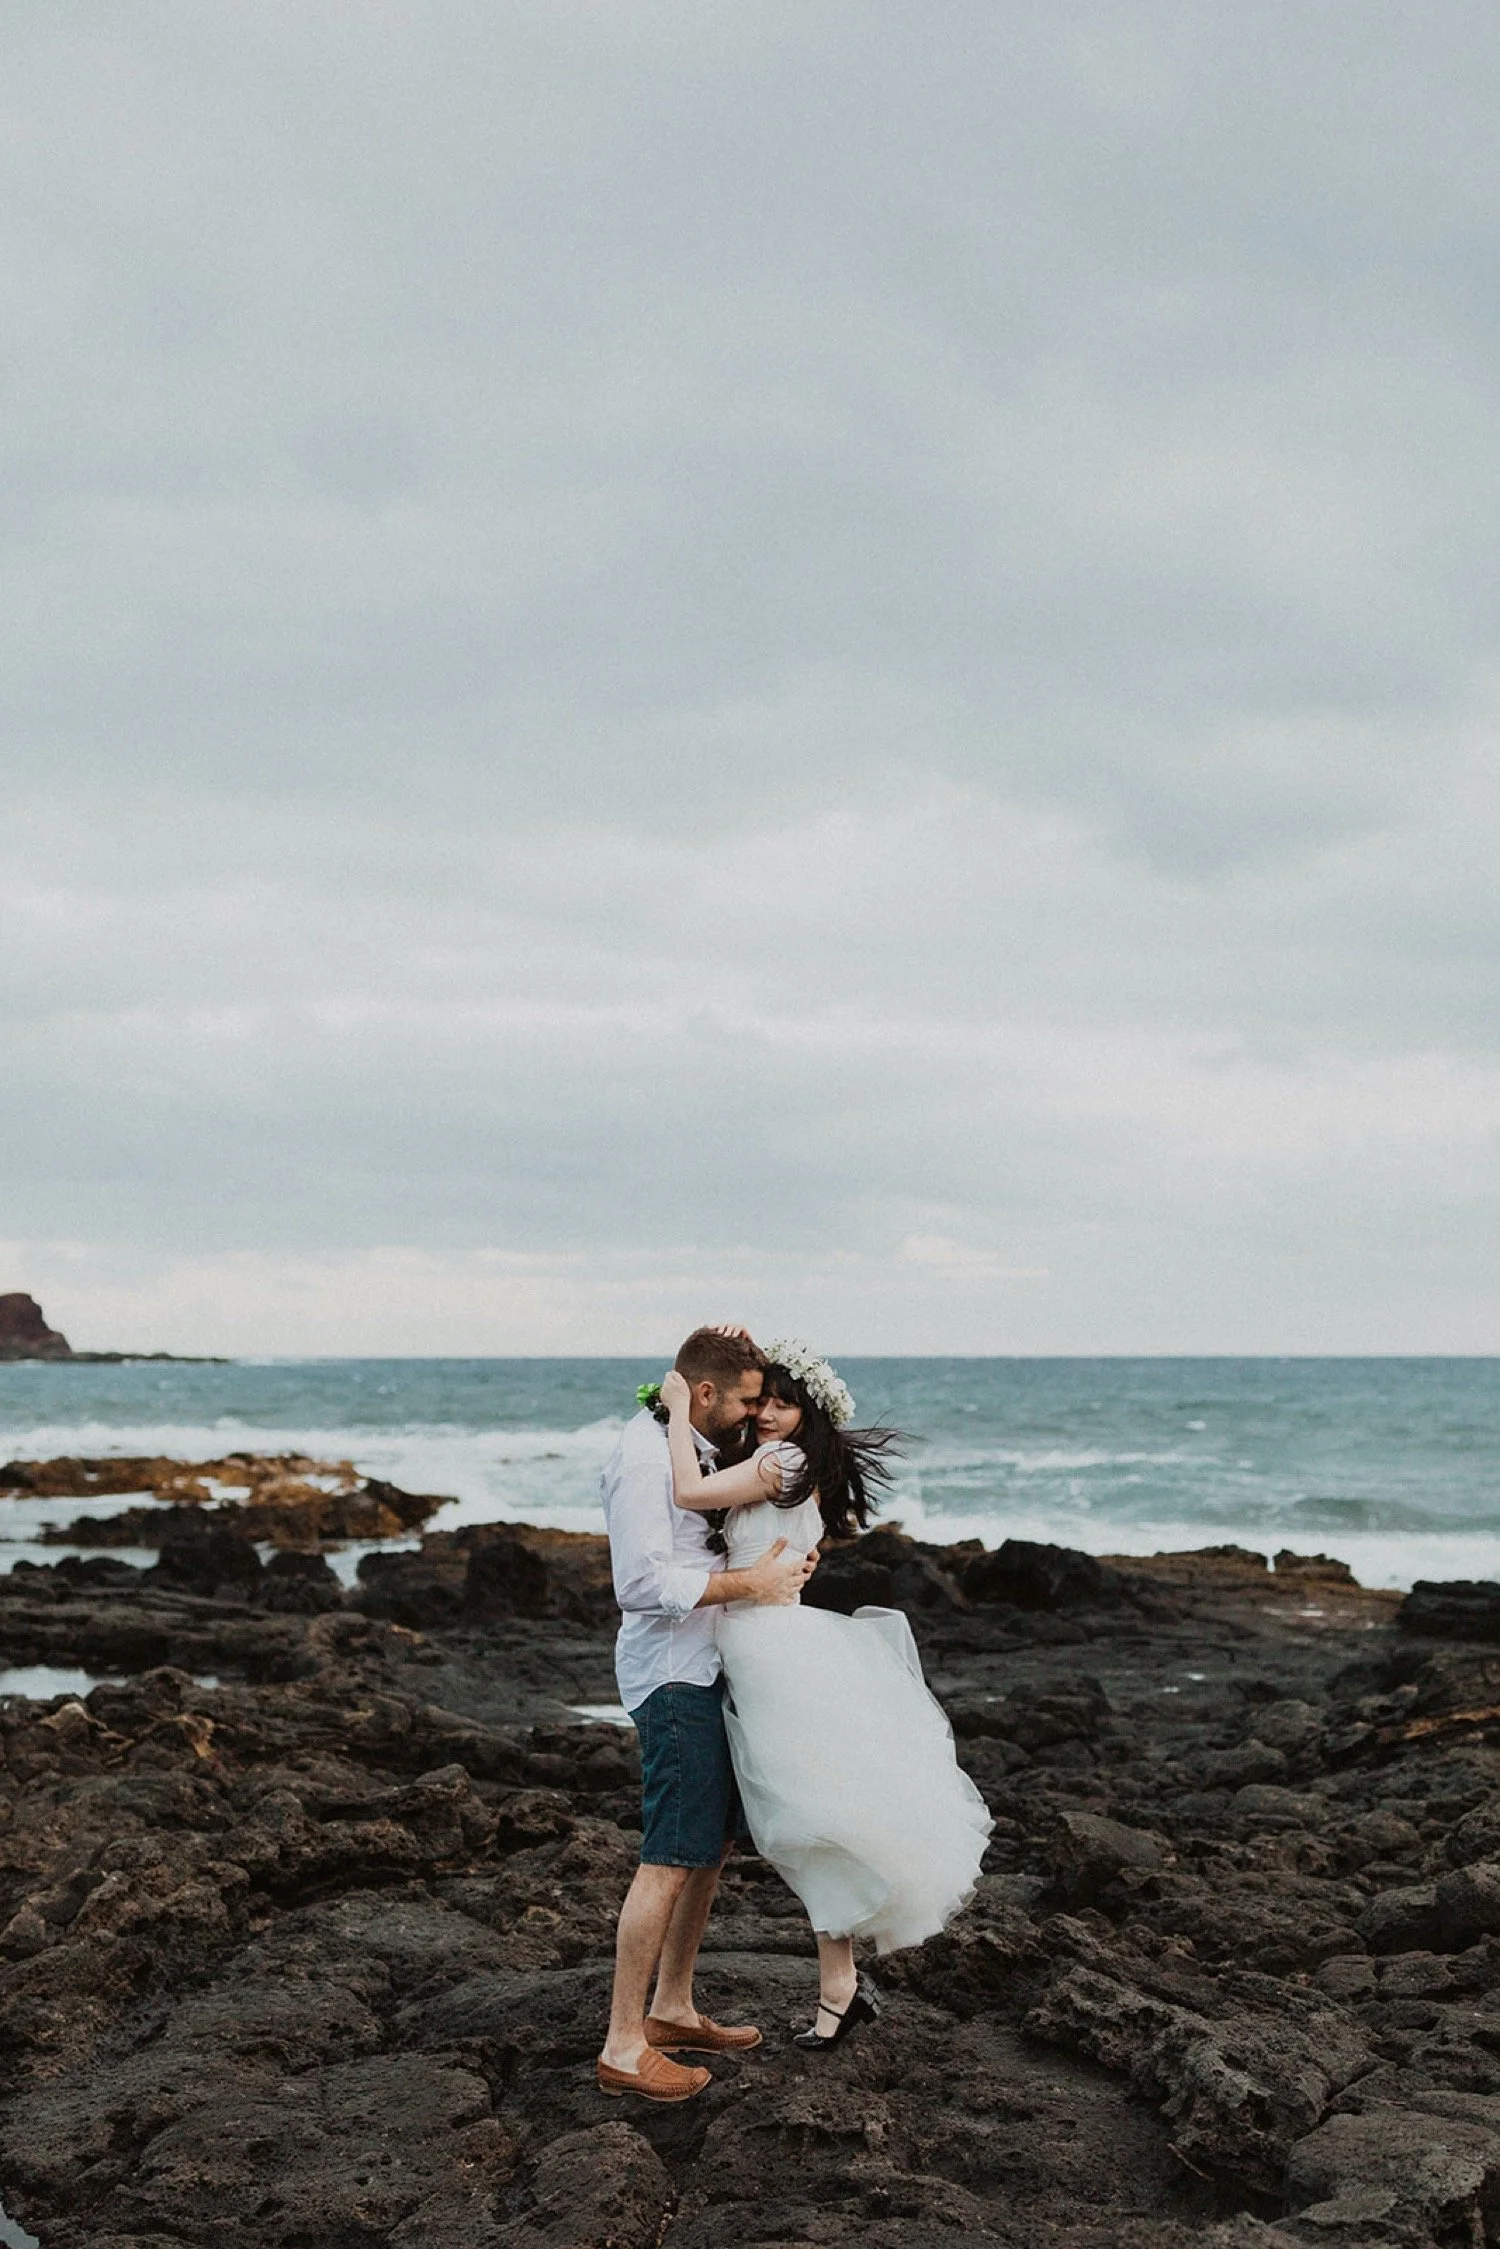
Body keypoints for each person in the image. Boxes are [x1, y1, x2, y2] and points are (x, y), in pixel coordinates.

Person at [661, 1340, 992, 2049]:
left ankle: (839, 1986)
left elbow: (688, 1491)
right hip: (768, 1645)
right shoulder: (786, 1466)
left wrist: (677, 1406)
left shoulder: (780, 1463)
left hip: (769, 1652)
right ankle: (839, 1985)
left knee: (803, 1825)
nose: (767, 1413)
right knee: (806, 1823)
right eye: (762, 1401)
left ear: (808, 1415)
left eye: (784, 1405)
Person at [596, 1325, 818, 2103]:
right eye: (748, 1400)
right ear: (704, 1392)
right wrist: (750, 1586)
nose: (755, 1414)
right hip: (670, 1677)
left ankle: (672, 2006)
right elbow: (640, 1583)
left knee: (711, 1844)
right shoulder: (642, 1457)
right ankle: (623, 2045)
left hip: (708, 1666)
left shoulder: (694, 1442)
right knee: (668, 1854)